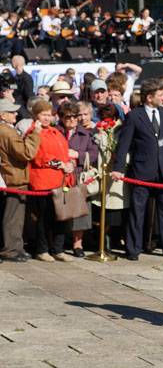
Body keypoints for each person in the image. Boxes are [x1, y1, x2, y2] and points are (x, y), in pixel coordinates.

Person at [111, 79, 163, 261]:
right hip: (142, 170)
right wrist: (118, 169)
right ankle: (133, 248)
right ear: (150, 98)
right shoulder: (135, 116)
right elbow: (124, 145)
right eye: (160, 95)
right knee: (138, 211)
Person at [28, 100, 74, 262]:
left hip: (61, 180)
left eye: (49, 115)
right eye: (44, 115)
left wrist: (69, 163)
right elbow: (39, 156)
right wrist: (60, 163)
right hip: (43, 180)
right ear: (35, 115)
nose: (47, 118)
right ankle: (42, 249)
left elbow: (64, 151)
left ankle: (58, 249)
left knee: (60, 216)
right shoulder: (34, 132)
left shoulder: (55, 131)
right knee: (44, 217)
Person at [0, 99, 41, 262]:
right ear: (2, 114)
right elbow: (26, 153)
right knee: (13, 216)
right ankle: (11, 250)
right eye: (11, 112)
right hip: (14, 177)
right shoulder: (7, 131)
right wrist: (35, 134)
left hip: (10, 176)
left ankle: (15, 247)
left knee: (13, 215)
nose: (16, 114)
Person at [57, 101, 98, 257]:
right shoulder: (55, 132)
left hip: (78, 177)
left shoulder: (86, 134)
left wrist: (78, 155)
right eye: (68, 117)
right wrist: (63, 162)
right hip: (59, 176)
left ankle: (77, 244)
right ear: (61, 117)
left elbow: (93, 154)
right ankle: (56, 244)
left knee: (80, 211)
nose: (73, 119)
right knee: (58, 209)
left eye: (75, 116)